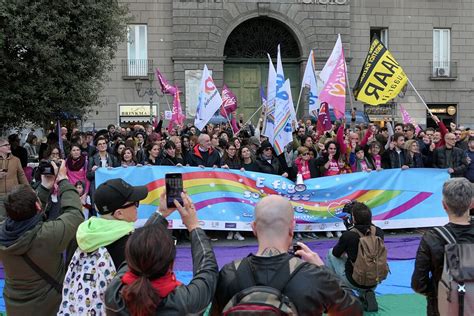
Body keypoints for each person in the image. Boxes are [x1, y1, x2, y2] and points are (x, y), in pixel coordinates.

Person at [211, 195, 362, 315]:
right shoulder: (314, 275)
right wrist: (323, 269)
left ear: (254, 228)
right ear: (292, 228)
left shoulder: (228, 274)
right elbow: (354, 309)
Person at [104, 192, 219, 315]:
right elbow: (207, 270)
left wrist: (161, 213)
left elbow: (137, 251)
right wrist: (194, 226)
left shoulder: (114, 294)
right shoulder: (185, 302)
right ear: (171, 263)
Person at [0, 161, 84, 315]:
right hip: (48, 307)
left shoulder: (3, 233)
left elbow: (26, 210)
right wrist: (63, 179)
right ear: (38, 206)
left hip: (15, 307)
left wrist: (45, 186)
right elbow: (74, 214)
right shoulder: (47, 235)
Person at [411, 178, 474, 316]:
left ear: (444, 205)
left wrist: (438, 292)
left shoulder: (432, 238)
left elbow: (418, 284)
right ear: (472, 204)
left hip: (443, 307)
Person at [326, 201, 385, 312]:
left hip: (354, 280)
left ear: (353, 219)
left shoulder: (348, 235)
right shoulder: (379, 232)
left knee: (330, 253)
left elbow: (336, 254)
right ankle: (367, 292)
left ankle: (337, 293)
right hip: (375, 279)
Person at [0, 138, 28, 221]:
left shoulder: (16, 160)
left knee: (14, 219)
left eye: (9, 144)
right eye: (6, 145)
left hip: (14, 196)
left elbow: (21, 175)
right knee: (2, 220)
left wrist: (28, 189)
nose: (9, 146)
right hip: (0, 197)